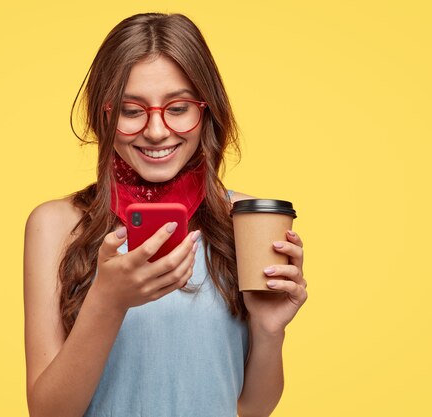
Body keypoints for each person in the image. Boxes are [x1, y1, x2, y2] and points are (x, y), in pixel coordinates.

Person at [23, 12, 308, 417]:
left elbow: (249, 409)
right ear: (104, 114)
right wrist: (107, 301)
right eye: (131, 110)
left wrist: (269, 328)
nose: (156, 131)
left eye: (177, 108)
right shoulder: (55, 225)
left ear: (206, 110)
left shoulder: (246, 220)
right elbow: (48, 412)